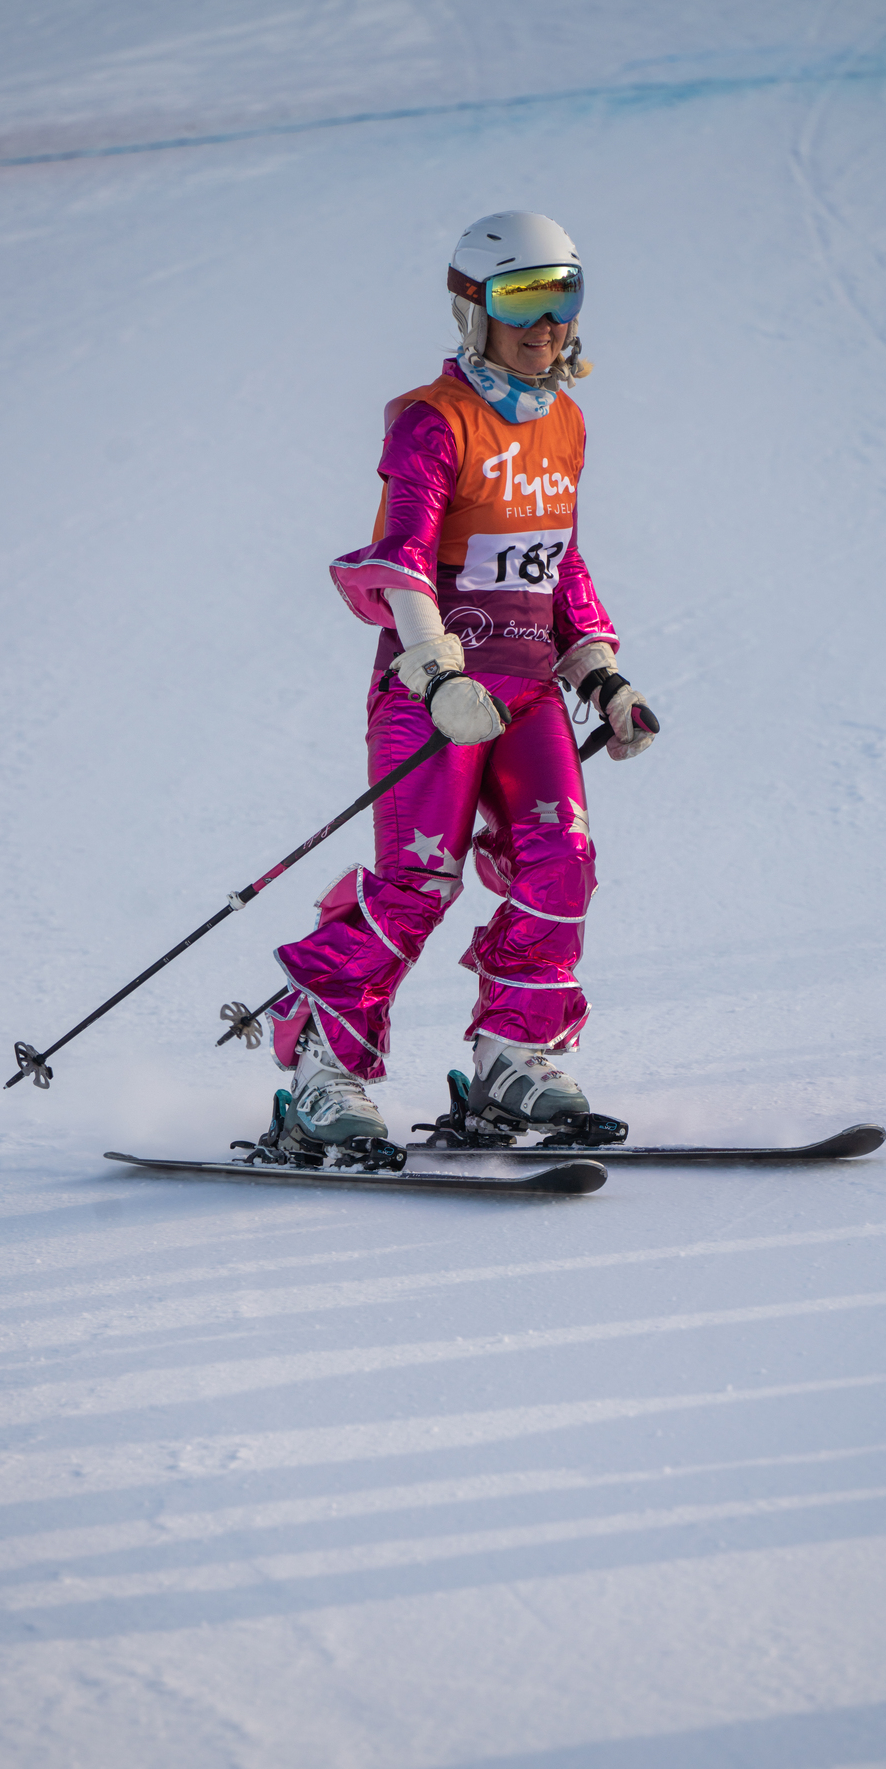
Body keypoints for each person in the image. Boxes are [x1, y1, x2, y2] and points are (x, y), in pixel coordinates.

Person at [265, 211, 656, 1151]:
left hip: (528, 689)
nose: (545, 323)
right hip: (432, 690)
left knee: (561, 859)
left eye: (562, 295)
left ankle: (512, 1058)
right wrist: (437, 672)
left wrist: (601, 675)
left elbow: (558, 561)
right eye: (521, 298)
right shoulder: (432, 420)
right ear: (473, 308)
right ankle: (322, 1066)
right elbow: (403, 556)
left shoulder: (565, 421)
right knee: (419, 879)